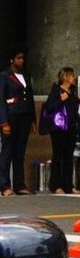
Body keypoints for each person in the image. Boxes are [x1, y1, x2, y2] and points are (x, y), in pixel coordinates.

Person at [43, 67, 80, 194]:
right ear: (65, 78)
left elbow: (76, 105)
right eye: (72, 76)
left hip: (71, 127)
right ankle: (56, 185)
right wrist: (61, 99)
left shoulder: (73, 92)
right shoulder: (56, 91)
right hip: (58, 127)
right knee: (58, 155)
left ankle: (68, 185)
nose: (74, 78)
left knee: (68, 156)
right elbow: (49, 107)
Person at [0, 52, 35, 196]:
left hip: (24, 117)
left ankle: (19, 184)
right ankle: (4, 185)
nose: (21, 61)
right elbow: (1, 100)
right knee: (7, 151)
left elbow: (30, 98)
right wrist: (4, 122)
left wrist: (33, 119)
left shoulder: (26, 75)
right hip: (11, 116)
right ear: (12, 59)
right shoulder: (4, 76)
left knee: (20, 152)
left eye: (23, 58)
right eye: (18, 58)